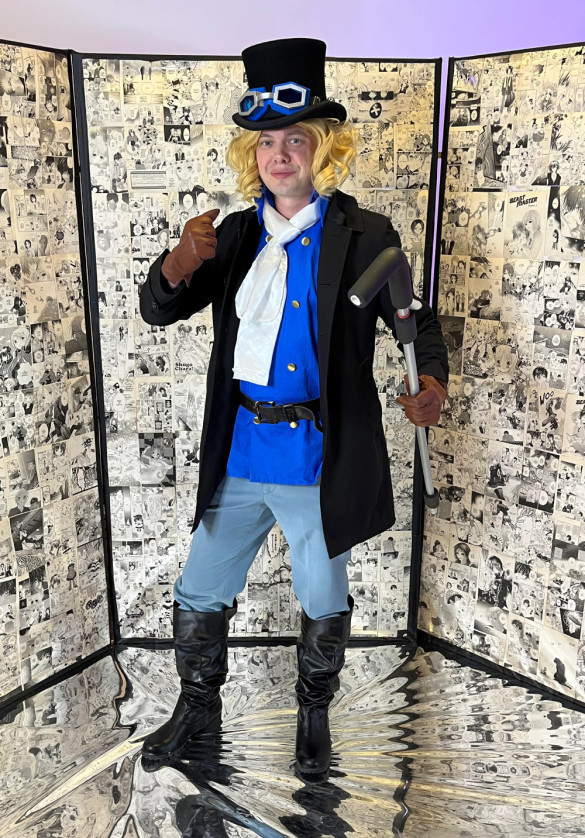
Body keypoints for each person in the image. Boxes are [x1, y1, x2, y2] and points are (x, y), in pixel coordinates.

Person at [139, 38, 448, 780]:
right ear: (253, 154)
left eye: (296, 140)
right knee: (200, 586)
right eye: (267, 142)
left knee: (322, 593)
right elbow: (159, 309)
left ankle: (314, 716)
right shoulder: (234, 235)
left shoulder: (365, 235)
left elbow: (416, 322)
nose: (280, 156)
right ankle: (197, 709)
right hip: (243, 449)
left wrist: (432, 385)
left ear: (322, 148)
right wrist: (181, 260)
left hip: (317, 452)